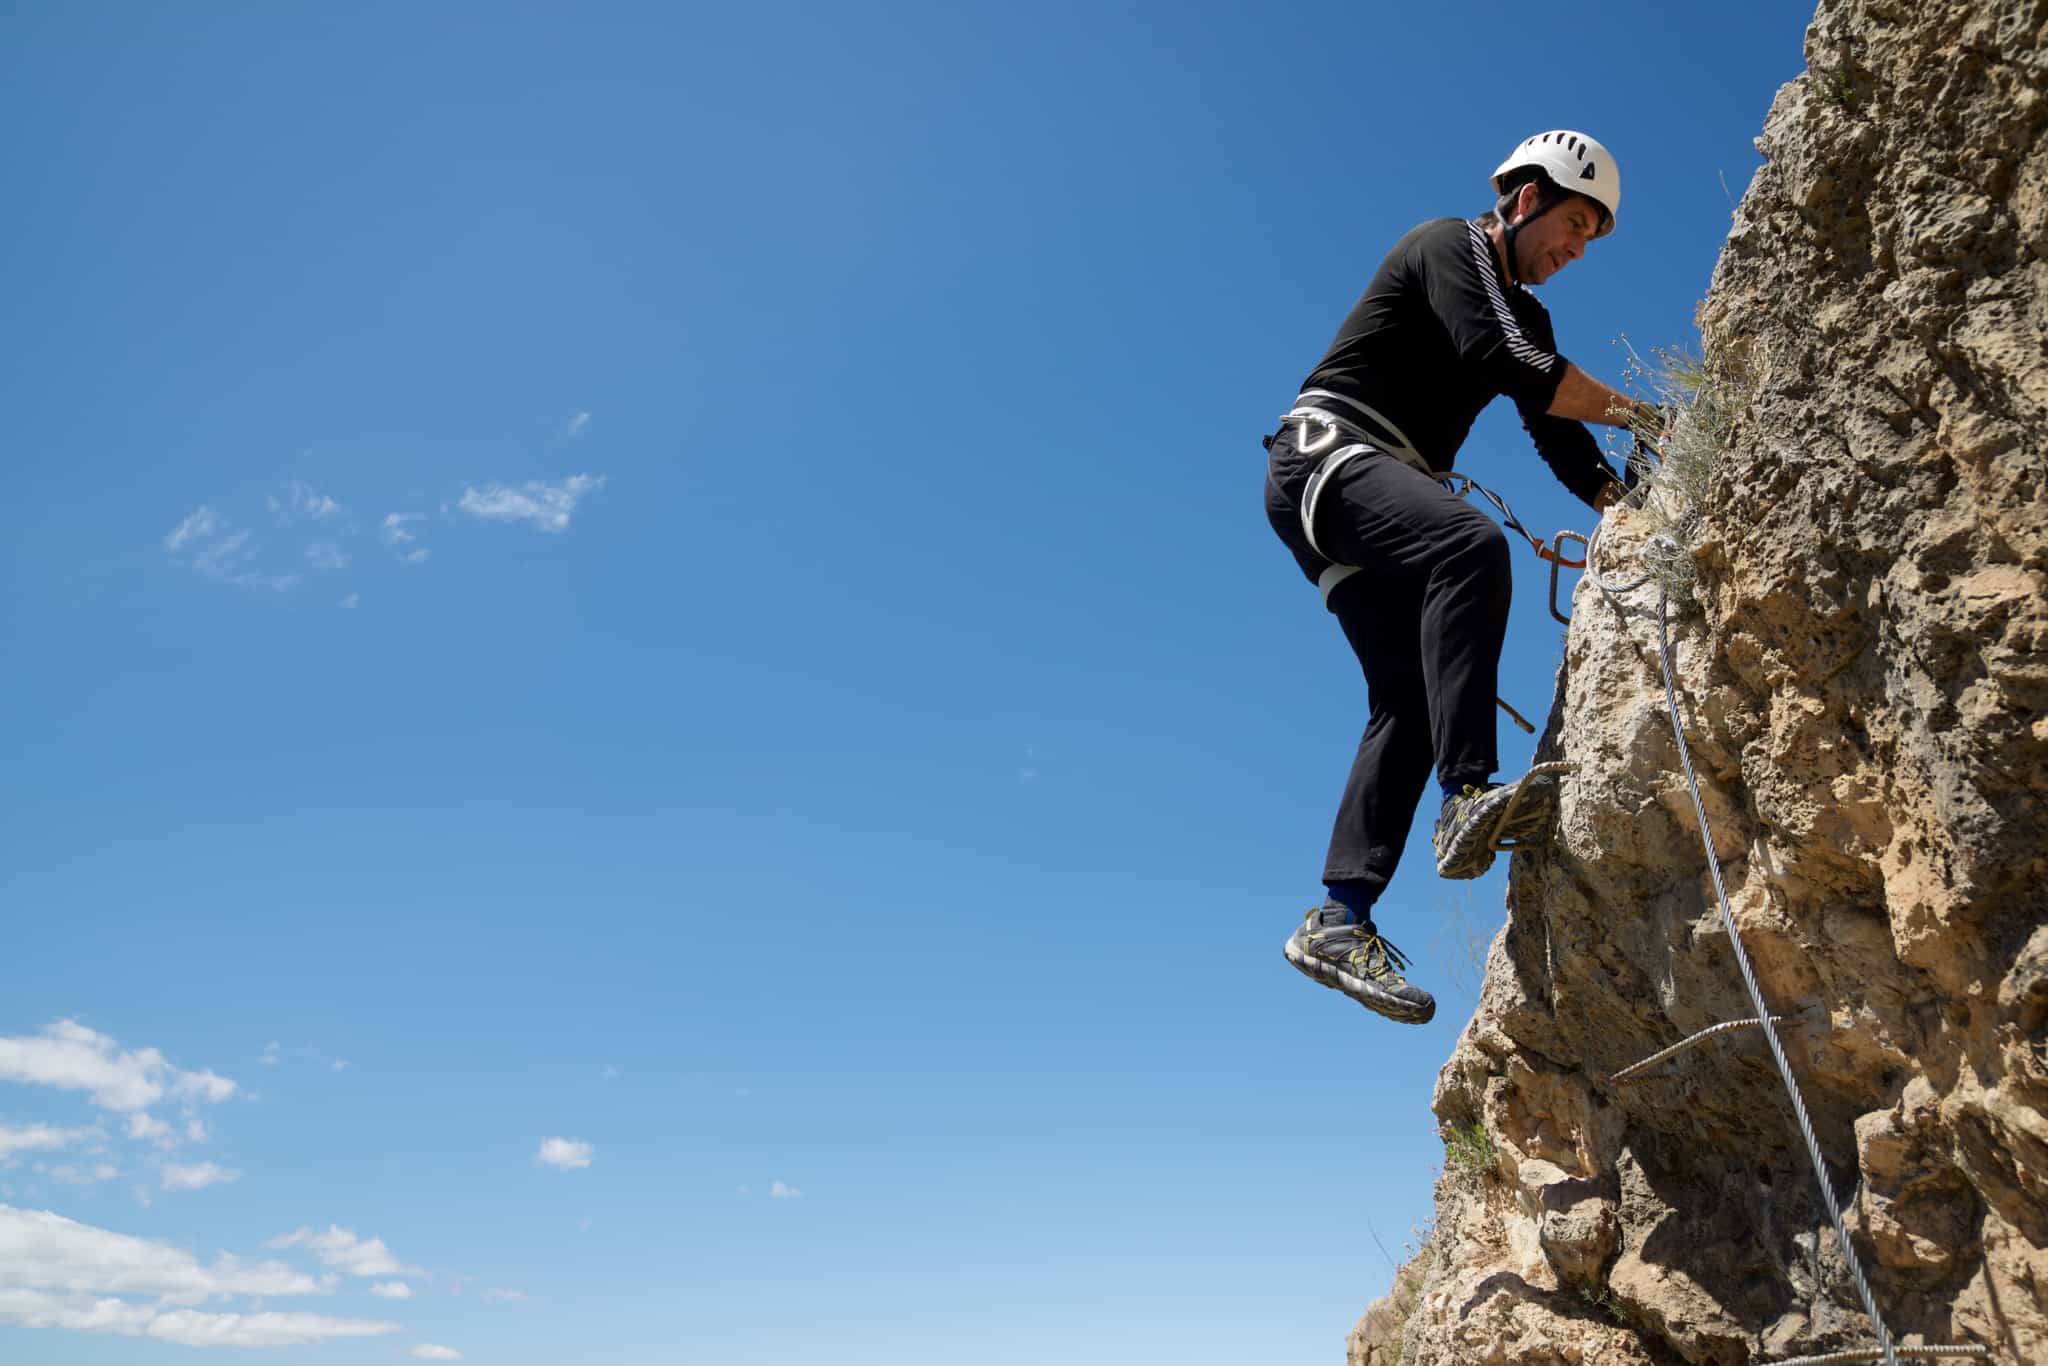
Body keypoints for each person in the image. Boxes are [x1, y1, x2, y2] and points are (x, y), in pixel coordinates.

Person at [1264, 130, 1656, 1025]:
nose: (1575, 248)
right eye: (1571, 222)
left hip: (1349, 491)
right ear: (1523, 199)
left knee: (1406, 694)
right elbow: (1505, 365)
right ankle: (1466, 795)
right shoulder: (1446, 244)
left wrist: (1623, 504)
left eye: (1592, 237)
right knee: (1469, 547)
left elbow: (1556, 432)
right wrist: (1648, 413)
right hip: (1330, 457)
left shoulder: (1535, 320)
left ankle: (1339, 915)